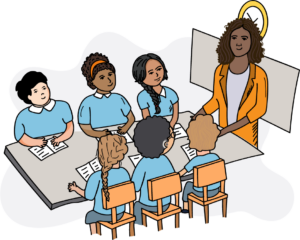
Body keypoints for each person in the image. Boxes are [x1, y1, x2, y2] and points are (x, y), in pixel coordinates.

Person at [192, 18, 268, 148]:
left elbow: (259, 109)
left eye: (244, 38)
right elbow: (216, 100)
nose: (238, 43)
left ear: (252, 42)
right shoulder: (220, 70)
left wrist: (227, 129)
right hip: (223, 134)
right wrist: (198, 115)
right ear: (228, 40)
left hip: (246, 139)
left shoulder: (259, 75)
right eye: (234, 38)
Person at [68, 135, 130, 235]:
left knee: (90, 216)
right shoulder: (125, 173)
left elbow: (88, 196)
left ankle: (95, 234)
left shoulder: (96, 176)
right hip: (120, 213)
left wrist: (75, 188)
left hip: (102, 214)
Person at [131, 116, 175, 226]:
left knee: (137, 205)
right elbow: (173, 179)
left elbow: (134, 187)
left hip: (148, 205)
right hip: (166, 203)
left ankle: (139, 225)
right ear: (165, 144)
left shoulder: (143, 164)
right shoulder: (166, 160)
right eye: (172, 136)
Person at [78, 52, 135, 138]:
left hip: (122, 136)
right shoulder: (87, 103)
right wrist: (100, 134)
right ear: (92, 82)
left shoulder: (119, 98)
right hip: (100, 138)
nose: (109, 80)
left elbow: (131, 118)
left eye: (110, 74)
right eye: (102, 77)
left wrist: (125, 128)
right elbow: (85, 127)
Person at [15, 70, 74, 147]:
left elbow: (70, 127)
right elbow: (20, 137)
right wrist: (36, 143)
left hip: (64, 143)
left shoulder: (63, 106)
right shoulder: (23, 116)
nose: (42, 93)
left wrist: (59, 139)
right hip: (35, 148)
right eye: (36, 91)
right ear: (28, 96)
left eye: (43, 88)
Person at [179, 115, 221, 214]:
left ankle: (186, 208)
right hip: (216, 189)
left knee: (188, 186)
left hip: (201, 192)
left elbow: (182, 173)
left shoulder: (195, 161)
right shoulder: (216, 157)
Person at [132, 53, 179, 128]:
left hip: (170, 126)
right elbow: (146, 119)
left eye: (159, 69)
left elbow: (175, 115)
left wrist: (170, 127)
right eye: (151, 73)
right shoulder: (142, 96)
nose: (156, 74)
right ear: (141, 76)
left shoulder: (171, 93)